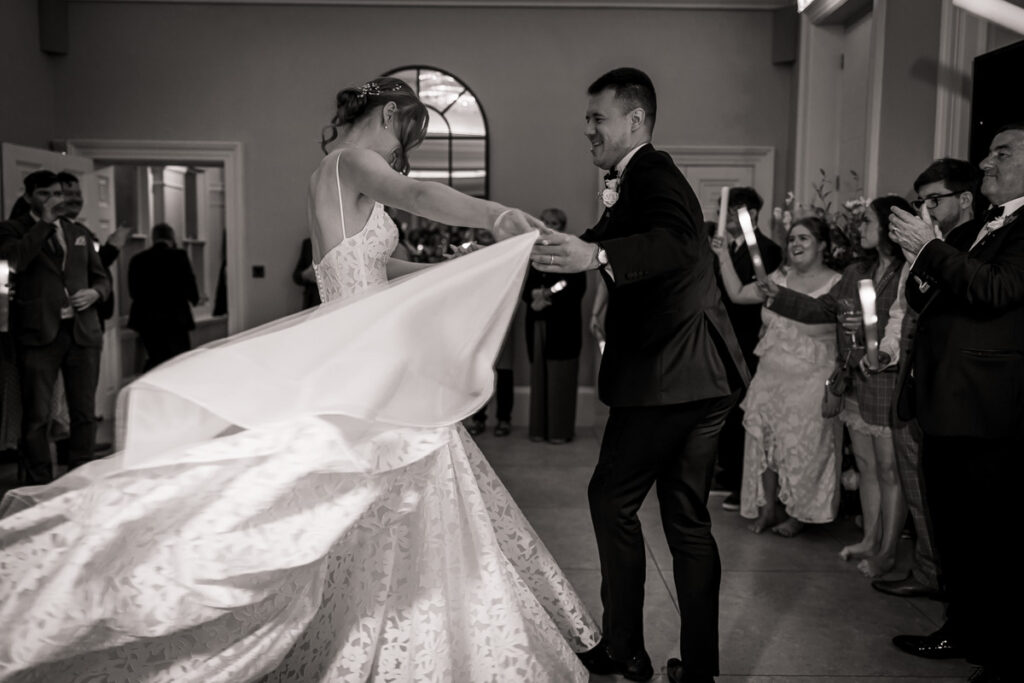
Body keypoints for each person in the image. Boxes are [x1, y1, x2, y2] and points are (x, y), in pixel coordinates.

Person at [0, 77, 598, 682]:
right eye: (405, 133)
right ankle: (400, 621)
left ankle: (381, 610)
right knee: (391, 481)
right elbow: (415, 191)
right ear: (388, 111)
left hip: (366, 355)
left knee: (386, 492)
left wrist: (445, 267)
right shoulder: (352, 162)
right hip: (366, 363)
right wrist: (497, 216)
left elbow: (370, 265)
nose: (400, 150)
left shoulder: (332, 173)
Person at [533, 67, 748, 683]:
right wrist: (536, 246)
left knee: (611, 498)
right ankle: (699, 669)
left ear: (635, 120)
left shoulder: (653, 174)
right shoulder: (633, 182)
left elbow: (680, 244)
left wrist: (598, 255)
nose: (588, 129)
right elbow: (590, 243)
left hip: (669, 376)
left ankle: (625, 649)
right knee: (686, 518)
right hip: (703, 375)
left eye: (597, 118)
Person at [887, 124, 1024, 683]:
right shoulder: (978, 229)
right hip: (946, 403)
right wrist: (917, 257)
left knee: (994, 538)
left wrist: (932, 250)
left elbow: (997, 290)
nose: (986, 162)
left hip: (990, 409)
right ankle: (961, 628)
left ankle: (1005, 652)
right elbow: (929, 294)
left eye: (1003, 153)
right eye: (989, 153)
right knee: (954, 531)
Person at [761, 196, 910, 577]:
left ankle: (887, 548)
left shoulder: (907, 272)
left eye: (867, 223)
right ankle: (870, 538)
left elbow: (906, 326)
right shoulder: (857, 270)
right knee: (865, 465)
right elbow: (824, 309)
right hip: (855, 379)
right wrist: (779, 296)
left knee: (890, 470)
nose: (859, 229)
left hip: (888, 380)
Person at [870, 158, 979, 602]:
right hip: (914, 384)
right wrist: (888, 349)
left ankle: (952, 586)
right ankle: (931, 572)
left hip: (958, 390)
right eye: (921, 201)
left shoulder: (974, 248)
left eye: (935, 200)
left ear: (965, 199)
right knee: (921, 491)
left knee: (954, 502)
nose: (925, 209)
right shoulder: (923, 248)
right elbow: (904, 312)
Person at [711, 217, 841, 537]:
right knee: (768, 443)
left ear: (823, 245)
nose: (795, 244)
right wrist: (724, 255)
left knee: (804, 446)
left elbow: (840, 329)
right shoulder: (779, 276)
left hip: (811, 377)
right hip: (771, 373)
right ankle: (770, 506)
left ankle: (800, 512)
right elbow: (739, 293)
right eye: (792, 239)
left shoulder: (838, 283)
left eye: (804, 239)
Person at [0, 170, 111, 484]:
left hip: (82, 332)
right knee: (37, 417)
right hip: (39, 334)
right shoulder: (11, 230)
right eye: (45, 194)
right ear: (29, 196)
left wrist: (95, 293)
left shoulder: (79, 232)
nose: (54, 200)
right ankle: (40, 484)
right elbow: (15, 263)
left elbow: (102, 276)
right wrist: (45, 224)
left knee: (84, 413)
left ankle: (79, 479)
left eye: (58, 194)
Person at [712, 187, 783, 512]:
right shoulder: (723, 247)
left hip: (748, 340)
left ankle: (744, 481)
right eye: (721, 210)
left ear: (751, 214)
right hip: (722, 339)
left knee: (744, 411)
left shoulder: (767, 250)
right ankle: (726, 471)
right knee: (724, 409)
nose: (723, 216)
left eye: (731, 211)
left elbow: (751, 294)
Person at [522, 208, 586, 443]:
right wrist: (534, 297)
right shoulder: (534, 255)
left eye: (554, 223)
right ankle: (538, 429)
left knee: (561, 379)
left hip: (563, 328)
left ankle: (559, 431)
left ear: (562, 227)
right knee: (538, 379)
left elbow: (576, 289)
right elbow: (525, 288)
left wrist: (548, 297)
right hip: (538, 324)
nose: (549, 227)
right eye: (545, 223)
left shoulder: (572, 253)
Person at [127, 223, 201, 370]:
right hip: (175, 318)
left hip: (147, 319)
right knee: (178, 362)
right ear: (172, 238)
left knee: (156, 358)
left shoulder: (137, 259)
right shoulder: (179, 256)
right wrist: (195, 299)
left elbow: (133, 292)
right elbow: (189, 283)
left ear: (153, 239)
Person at [292, 236, 322, 309]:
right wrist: (306, 274)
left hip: (335, 302)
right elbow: (296, 276)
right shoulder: (308, 244)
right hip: (312, 301)